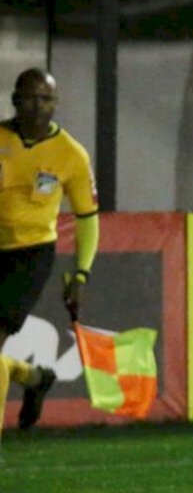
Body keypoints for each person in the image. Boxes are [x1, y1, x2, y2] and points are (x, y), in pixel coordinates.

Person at [0, 68, 99, 445]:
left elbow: (88, 219)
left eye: (46, 99)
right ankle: (33, 377)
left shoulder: (71, 155)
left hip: (29, 255)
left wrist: (81, 274)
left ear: (56, 104)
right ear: (14, 100)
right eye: (30, 97)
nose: (38, 106)